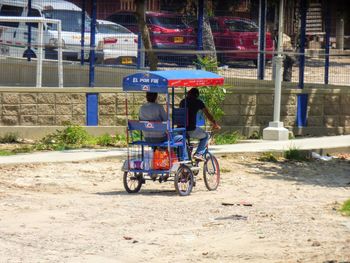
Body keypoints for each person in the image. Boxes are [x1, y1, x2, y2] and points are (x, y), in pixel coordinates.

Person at [139, 92, 187, 160]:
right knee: (181, 137)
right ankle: (183, 159)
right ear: (156, 97)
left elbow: (140, 121)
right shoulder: (159, 107)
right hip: (160, 138)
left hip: (147, 138)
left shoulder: (141, 108)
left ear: (146, 97)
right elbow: (167, 121)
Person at [180, 88, 220, 161]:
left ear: (189, 93)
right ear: (197, 95)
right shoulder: (198, 102)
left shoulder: (182, 101)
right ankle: (198, 153)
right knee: (206, 136)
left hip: (180, 129)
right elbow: (208, 114)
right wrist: (215, 124)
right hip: (191, 129)